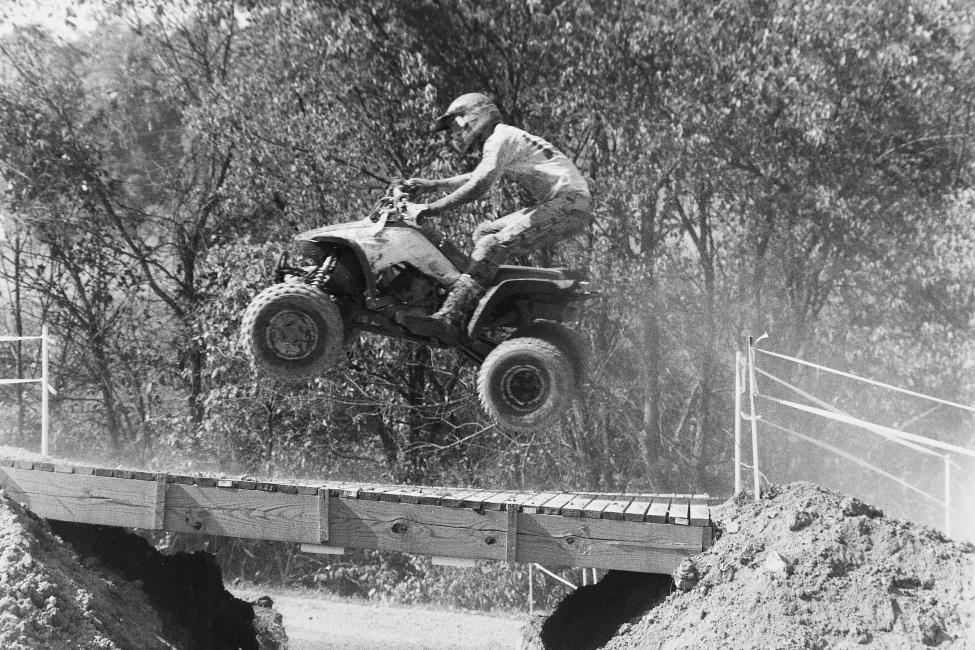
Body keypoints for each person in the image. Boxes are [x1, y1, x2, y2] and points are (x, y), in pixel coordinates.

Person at [400, 92, 592, 343]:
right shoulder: (504, 137)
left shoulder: (499, 138)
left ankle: (450, 316)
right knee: (484, 233)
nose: (454, 134)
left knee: (492, 245)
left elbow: (479, 185)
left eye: (455, 125)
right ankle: (477, 294)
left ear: (474, 116)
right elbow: (477, 175)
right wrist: (433, 184)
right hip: (564, 202)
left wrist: (431, 208)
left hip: (569, 203)